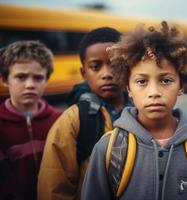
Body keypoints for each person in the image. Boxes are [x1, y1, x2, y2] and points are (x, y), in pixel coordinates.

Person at [81, 21, 187, 200]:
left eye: (165, 81)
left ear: (181, 85)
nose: (154, 92)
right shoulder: (107, 149)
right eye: (142, 81)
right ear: (128, 88)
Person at [37, 27, 132, 200]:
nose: (107, 74)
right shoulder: (73, 120)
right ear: (84, 73)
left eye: (115, 65)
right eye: (96, 67)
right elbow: (55, 187)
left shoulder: (144, 112)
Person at [0, 40, 61, 200]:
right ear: (5, 80)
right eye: (21, 77)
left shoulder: (60, 121)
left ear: (46, 80)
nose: (30, 85)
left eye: (38, 78)